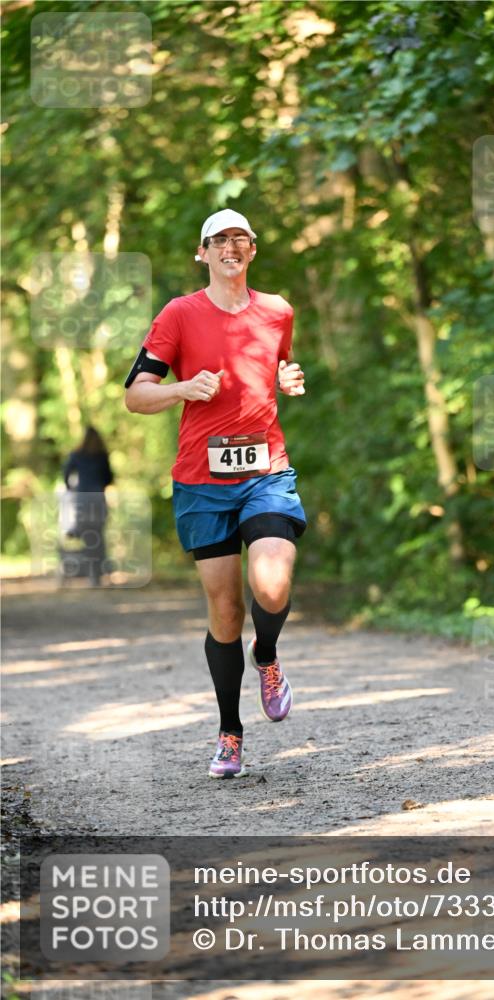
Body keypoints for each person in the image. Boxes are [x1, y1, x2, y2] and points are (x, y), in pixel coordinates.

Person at [124, 208, 306, 779]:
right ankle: (230, 732)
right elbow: (135, 394)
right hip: (201, 482)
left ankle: (268, 656)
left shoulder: (278, 311)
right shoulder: (179, 314)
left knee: (271, 581)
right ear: (202, 253)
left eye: (241, 239)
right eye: (219, 240)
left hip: (266, 470)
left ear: (252, 251)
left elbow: (278, 367)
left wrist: (288, 380)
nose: (231, 247)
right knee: (226, 611)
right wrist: (182, 388)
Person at [62, 425, 114, 586]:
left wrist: (71, 488)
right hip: (98, 498)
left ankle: (91, 572)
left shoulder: (76, 455)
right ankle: (97, 573)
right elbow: (108, 478)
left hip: (83, 499)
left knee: (87, 536)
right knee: (98, 535)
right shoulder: (102, 456)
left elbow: (66, 473)